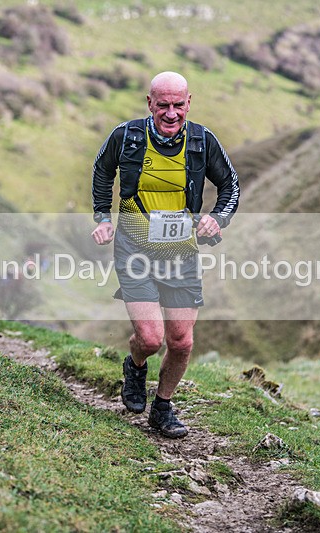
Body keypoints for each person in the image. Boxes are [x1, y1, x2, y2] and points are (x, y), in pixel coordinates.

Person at [91, 71, 240, 438]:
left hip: (181, 253)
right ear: (150, 104)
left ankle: (162, 407)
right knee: (150, 338)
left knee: (181, 341)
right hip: (134, 250)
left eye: (178, 105)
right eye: (163, 105)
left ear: (189, 103)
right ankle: (136, 365)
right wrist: (102, 218)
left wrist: (217, 219)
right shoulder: (126, 137)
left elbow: (230, 185)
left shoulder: (202, 141)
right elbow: (102, 172)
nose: (171, 113)